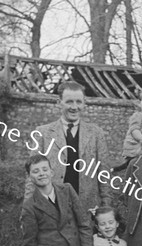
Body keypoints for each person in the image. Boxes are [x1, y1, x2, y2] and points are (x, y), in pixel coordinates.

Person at [24, 81, 112, 212]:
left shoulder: (96, 133)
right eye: (69, 102)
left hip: (87, 209)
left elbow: (103, 174)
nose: (74, 107)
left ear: (84, 103)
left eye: (79, 102)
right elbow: (32, 174)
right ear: (59, 102)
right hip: (51, 209)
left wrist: (106, 208)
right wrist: (27, 209)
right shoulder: (43, 133)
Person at [111, 86, 142, 172]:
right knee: (134, 164)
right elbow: (134, 130)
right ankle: (120, 170)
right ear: (140, 103)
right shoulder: (137, 116)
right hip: (135, 146)